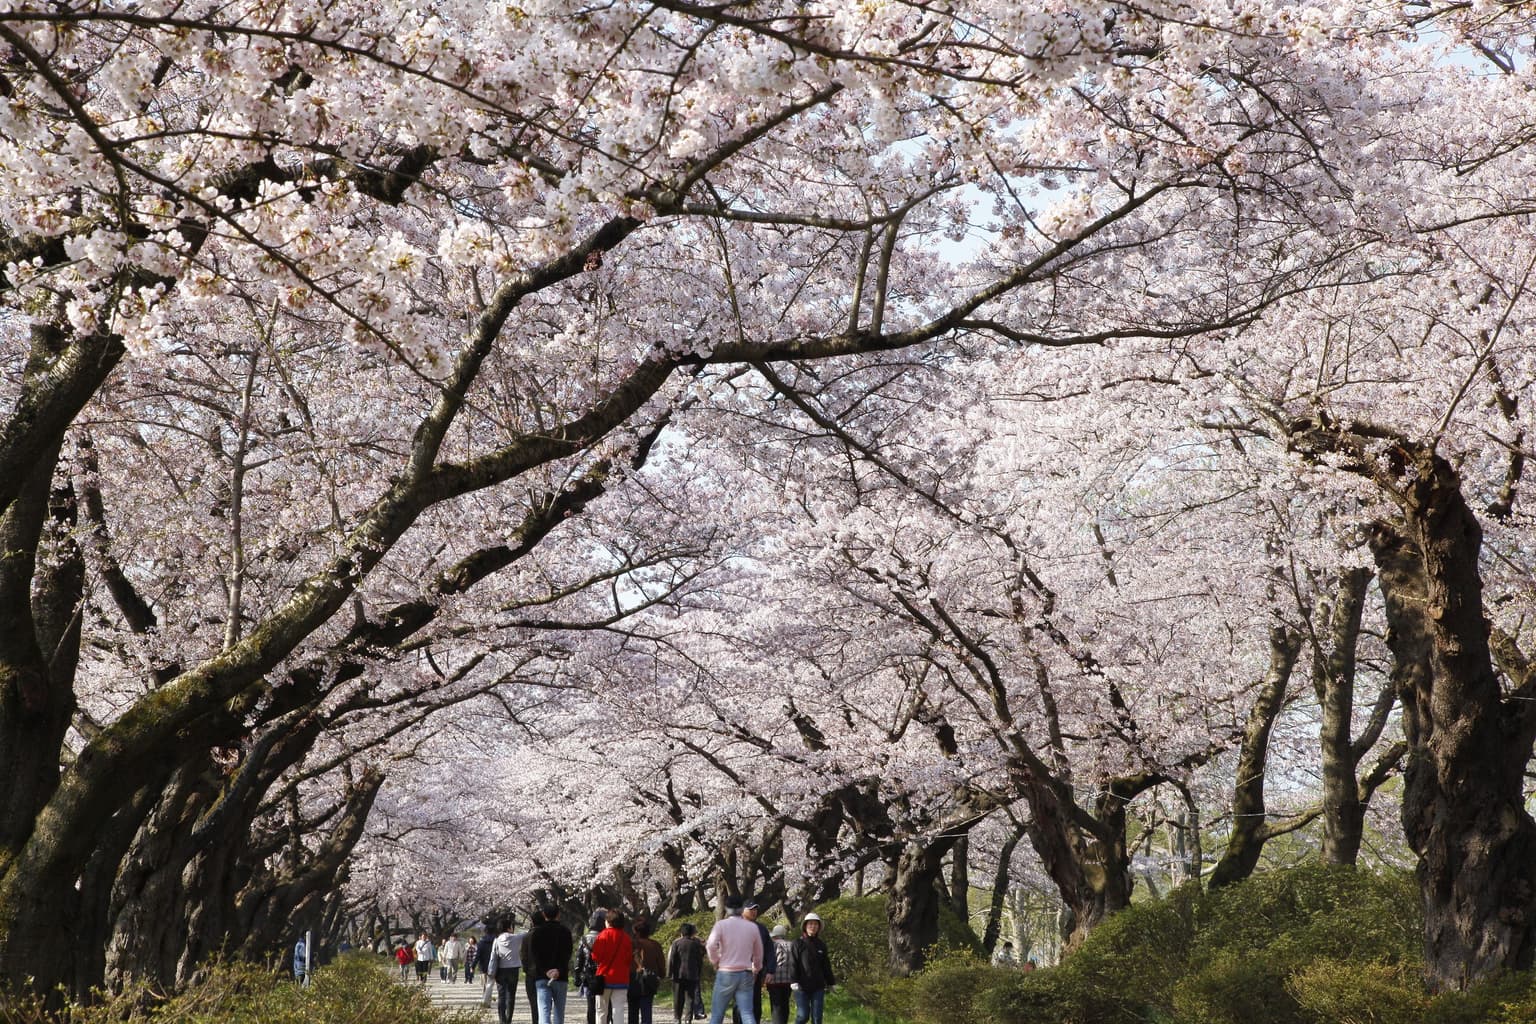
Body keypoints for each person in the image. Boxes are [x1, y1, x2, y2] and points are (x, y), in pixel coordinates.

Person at [706, 896, 762, 1024]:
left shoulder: (721, 925)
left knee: (717, 1014)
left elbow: (710, 945)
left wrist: (716, 961)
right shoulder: (752, 927)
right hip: (746, 972)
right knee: (747, 1013)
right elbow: (759, 952)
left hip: (726, 972)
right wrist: (757, 968)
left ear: (726, 908)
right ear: (742, 908)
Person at [527, 904, 575, 1024]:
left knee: (543, 1011)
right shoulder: (565, 932)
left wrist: (546, 971)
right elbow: (567, 954)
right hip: (561, 976)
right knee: (559, 1011)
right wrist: (558, 970)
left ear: (544, 915)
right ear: (558, 915)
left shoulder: (537, 933)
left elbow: (535, 955)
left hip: (542, 977)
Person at [785, 913, 835, 1024]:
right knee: (803, 1016)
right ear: (805, 926)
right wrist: (793, 981)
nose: (813, 927)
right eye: (810, 924)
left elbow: (826, 965)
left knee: (817, 1018)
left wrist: (831, 982)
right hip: (801, 986)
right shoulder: (797, 943)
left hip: (818, 986)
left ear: (819, 927)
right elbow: (792, 962)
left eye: (816, 924)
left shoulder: (821, 945)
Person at [732, 901, 774, 1024]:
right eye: (751, 909)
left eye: (755, 909)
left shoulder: (761, 929)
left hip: (757, 973)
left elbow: (769, 950)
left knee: (755, 1005)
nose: (754, 912)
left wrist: (770, 970)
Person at [591, 909, 634, 1024]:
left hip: (604, 977)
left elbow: (595, 957)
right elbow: (629, 959)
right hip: (621, 978)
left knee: (601, 1011)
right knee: (618, 1010)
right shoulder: (626, 938)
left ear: (608, 921)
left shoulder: (602, 935)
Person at [628, 917, 665, 1024]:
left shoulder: (631, 944)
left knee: (633, 1010)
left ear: (635, 931)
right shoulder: (655, 945)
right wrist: (661, 975)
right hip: (649, 979)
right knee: (646, 1010)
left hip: (632, 979)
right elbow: (661, 963)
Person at [490, 915, 526, 1024]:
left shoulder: (496, 940)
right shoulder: (516, 937)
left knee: (501, 996)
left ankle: (502, 1020)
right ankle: (509, 1019)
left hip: (501, 970)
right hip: (514, 969)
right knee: (511, 995)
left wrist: (491, 972)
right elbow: (528, 934)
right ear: (508, 928)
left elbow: (493, 956)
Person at [667, 922, 705, 1023]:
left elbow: (672, 959)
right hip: (692, 974)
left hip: (678, 975)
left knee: (678, 998)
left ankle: (677, 1017)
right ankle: (688, 1019)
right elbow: (699, 960)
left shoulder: (676, 943)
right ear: (691, 932)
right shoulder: (695, 944)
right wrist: (698, 973)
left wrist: (669, 973)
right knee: (690, 998)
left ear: (682, 932)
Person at [575, 910, 607, 1024]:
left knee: (591, 1005)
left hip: (588, 976)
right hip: (603, 974)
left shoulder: (584, 939)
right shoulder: (605, 937)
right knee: (605, 1005)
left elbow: (579, 959)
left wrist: (577, 976)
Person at [765, 926, 794, 1024]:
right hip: (788, 980)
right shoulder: (792, 945)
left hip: (773, 980)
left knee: (776, 1006)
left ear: (774, 935)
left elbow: (767, 961)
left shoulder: (772, 945)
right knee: (785, 1005)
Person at [477, 924, 497, 1005]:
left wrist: (473, 965)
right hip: (494, 965)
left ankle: (485, 999)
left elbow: (478, 955)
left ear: (485, 932)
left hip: (483, 966)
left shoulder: (481, 942)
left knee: (485, 984)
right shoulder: (496, 941)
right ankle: (487, 1000)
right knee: (490, 984)